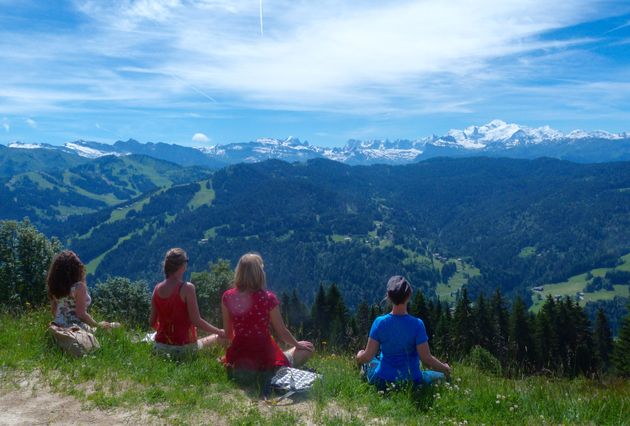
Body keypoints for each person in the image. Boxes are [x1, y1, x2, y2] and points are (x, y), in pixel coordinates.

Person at [221, 253, 314, 374]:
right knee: (308, 348)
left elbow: (228, 333)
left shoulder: (227, 297)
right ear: (259, 274)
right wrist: (297, 344)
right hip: (265, 356)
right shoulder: (268, 299)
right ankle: (280, 367)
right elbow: (282, 332)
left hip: (238, 357)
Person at [356, 275, 451, 390]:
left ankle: (364, 372)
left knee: (371, 361)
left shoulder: (380, 323)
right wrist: (445, 368)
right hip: (412, 381)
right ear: (409, 296)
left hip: (383, 381)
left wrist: (359, 356)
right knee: (439, 376)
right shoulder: (417, 324)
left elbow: (367, 356)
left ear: (388, 296)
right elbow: (426, 359)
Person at [150, 248, 225, 357]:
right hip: (185, 349)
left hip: (160, 348)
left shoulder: (157, 289)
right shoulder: (187, 288)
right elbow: (196, 321)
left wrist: (166, 335)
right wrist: (219, 331)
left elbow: (152, 322)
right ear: (182, 265)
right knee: (221, 337)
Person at [47, 250, 117, 331]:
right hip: (76, 328)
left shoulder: (54, 286)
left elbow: (54, 311)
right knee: (115, 325)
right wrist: (97, 325)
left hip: (58, 326)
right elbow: (81, 315)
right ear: (76, 268)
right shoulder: (79, 287)